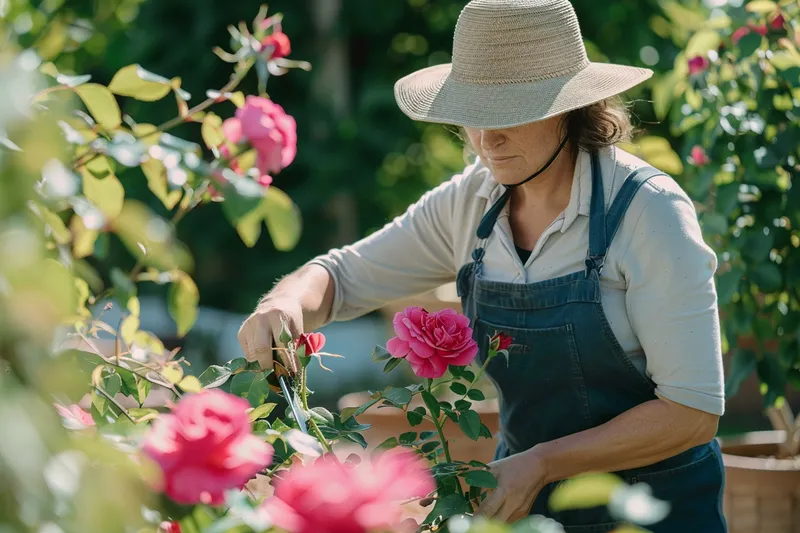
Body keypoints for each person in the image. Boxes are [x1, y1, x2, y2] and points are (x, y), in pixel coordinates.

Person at [238, 0, 727, 530]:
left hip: (655, 511)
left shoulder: (649, 212)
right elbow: (340, 277)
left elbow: (692, 412)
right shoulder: (471, 202)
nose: (485, 139)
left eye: (508, 114)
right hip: (522, 509)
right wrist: (283, 302)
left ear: (568, 106)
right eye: (472, 114)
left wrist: (541, 463)